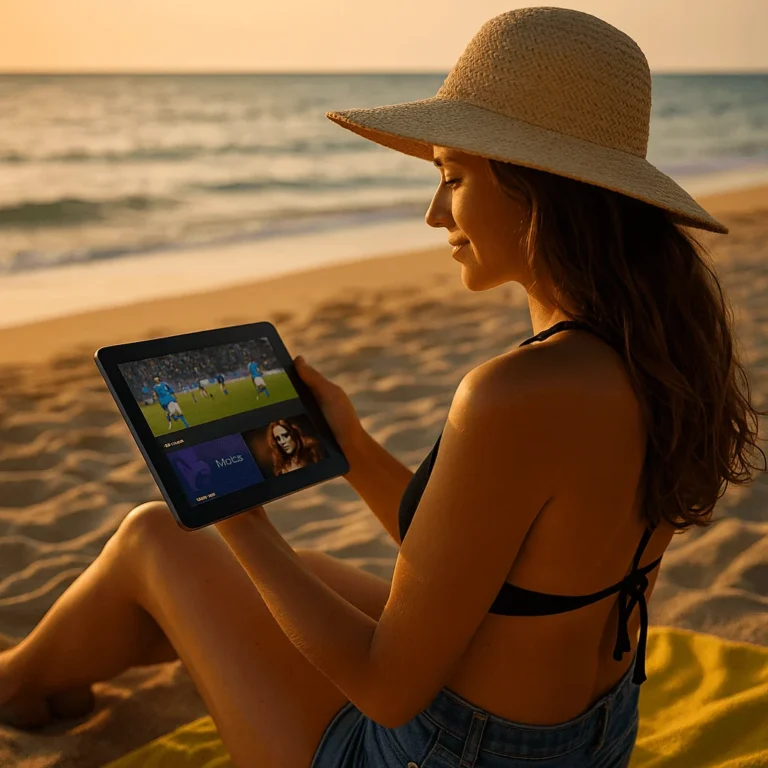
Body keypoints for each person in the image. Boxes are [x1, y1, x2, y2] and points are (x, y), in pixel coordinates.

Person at [0, 8, 765, 768]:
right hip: (589, 739)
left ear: (540, 191)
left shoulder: (513, 394)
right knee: (279, 573)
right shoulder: (654, 354)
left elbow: (385, 690)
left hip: (445, 754)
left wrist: (233, 516)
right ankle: (35, 681)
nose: (434, 214)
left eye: (453, 177)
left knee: (156, 536)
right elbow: (487, 566)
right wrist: (354, 445)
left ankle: (16, 683)